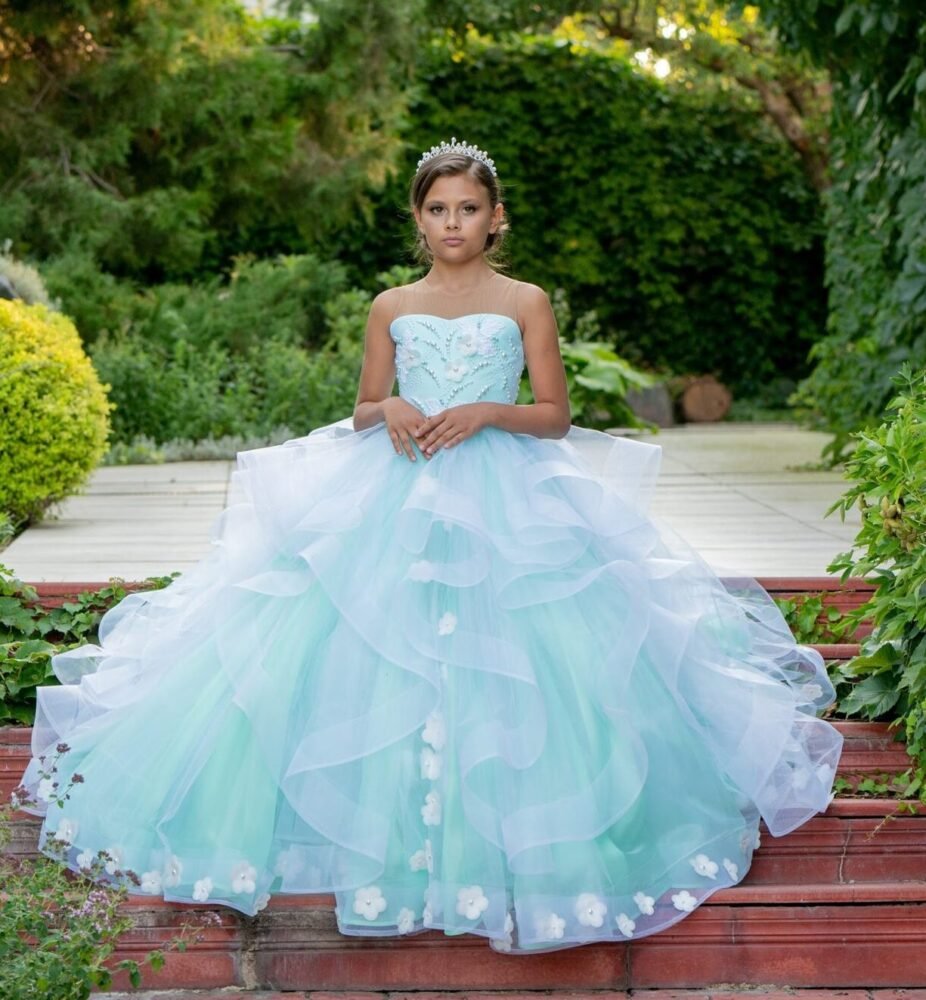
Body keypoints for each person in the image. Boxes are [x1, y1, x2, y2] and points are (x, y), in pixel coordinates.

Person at [16, 138, 842, 954]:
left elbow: (554, 415)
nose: (453, 222)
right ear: (418, 219)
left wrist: (487, 411)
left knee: (536, 654)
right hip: (397, 480)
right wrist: (392, 409)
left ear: (495, 217)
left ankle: (528, 860)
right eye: (438, 209)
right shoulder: (392, 305)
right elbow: (364, 406)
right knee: (355, 643)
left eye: (468, 209)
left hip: (506, 489)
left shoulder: (525, 301)